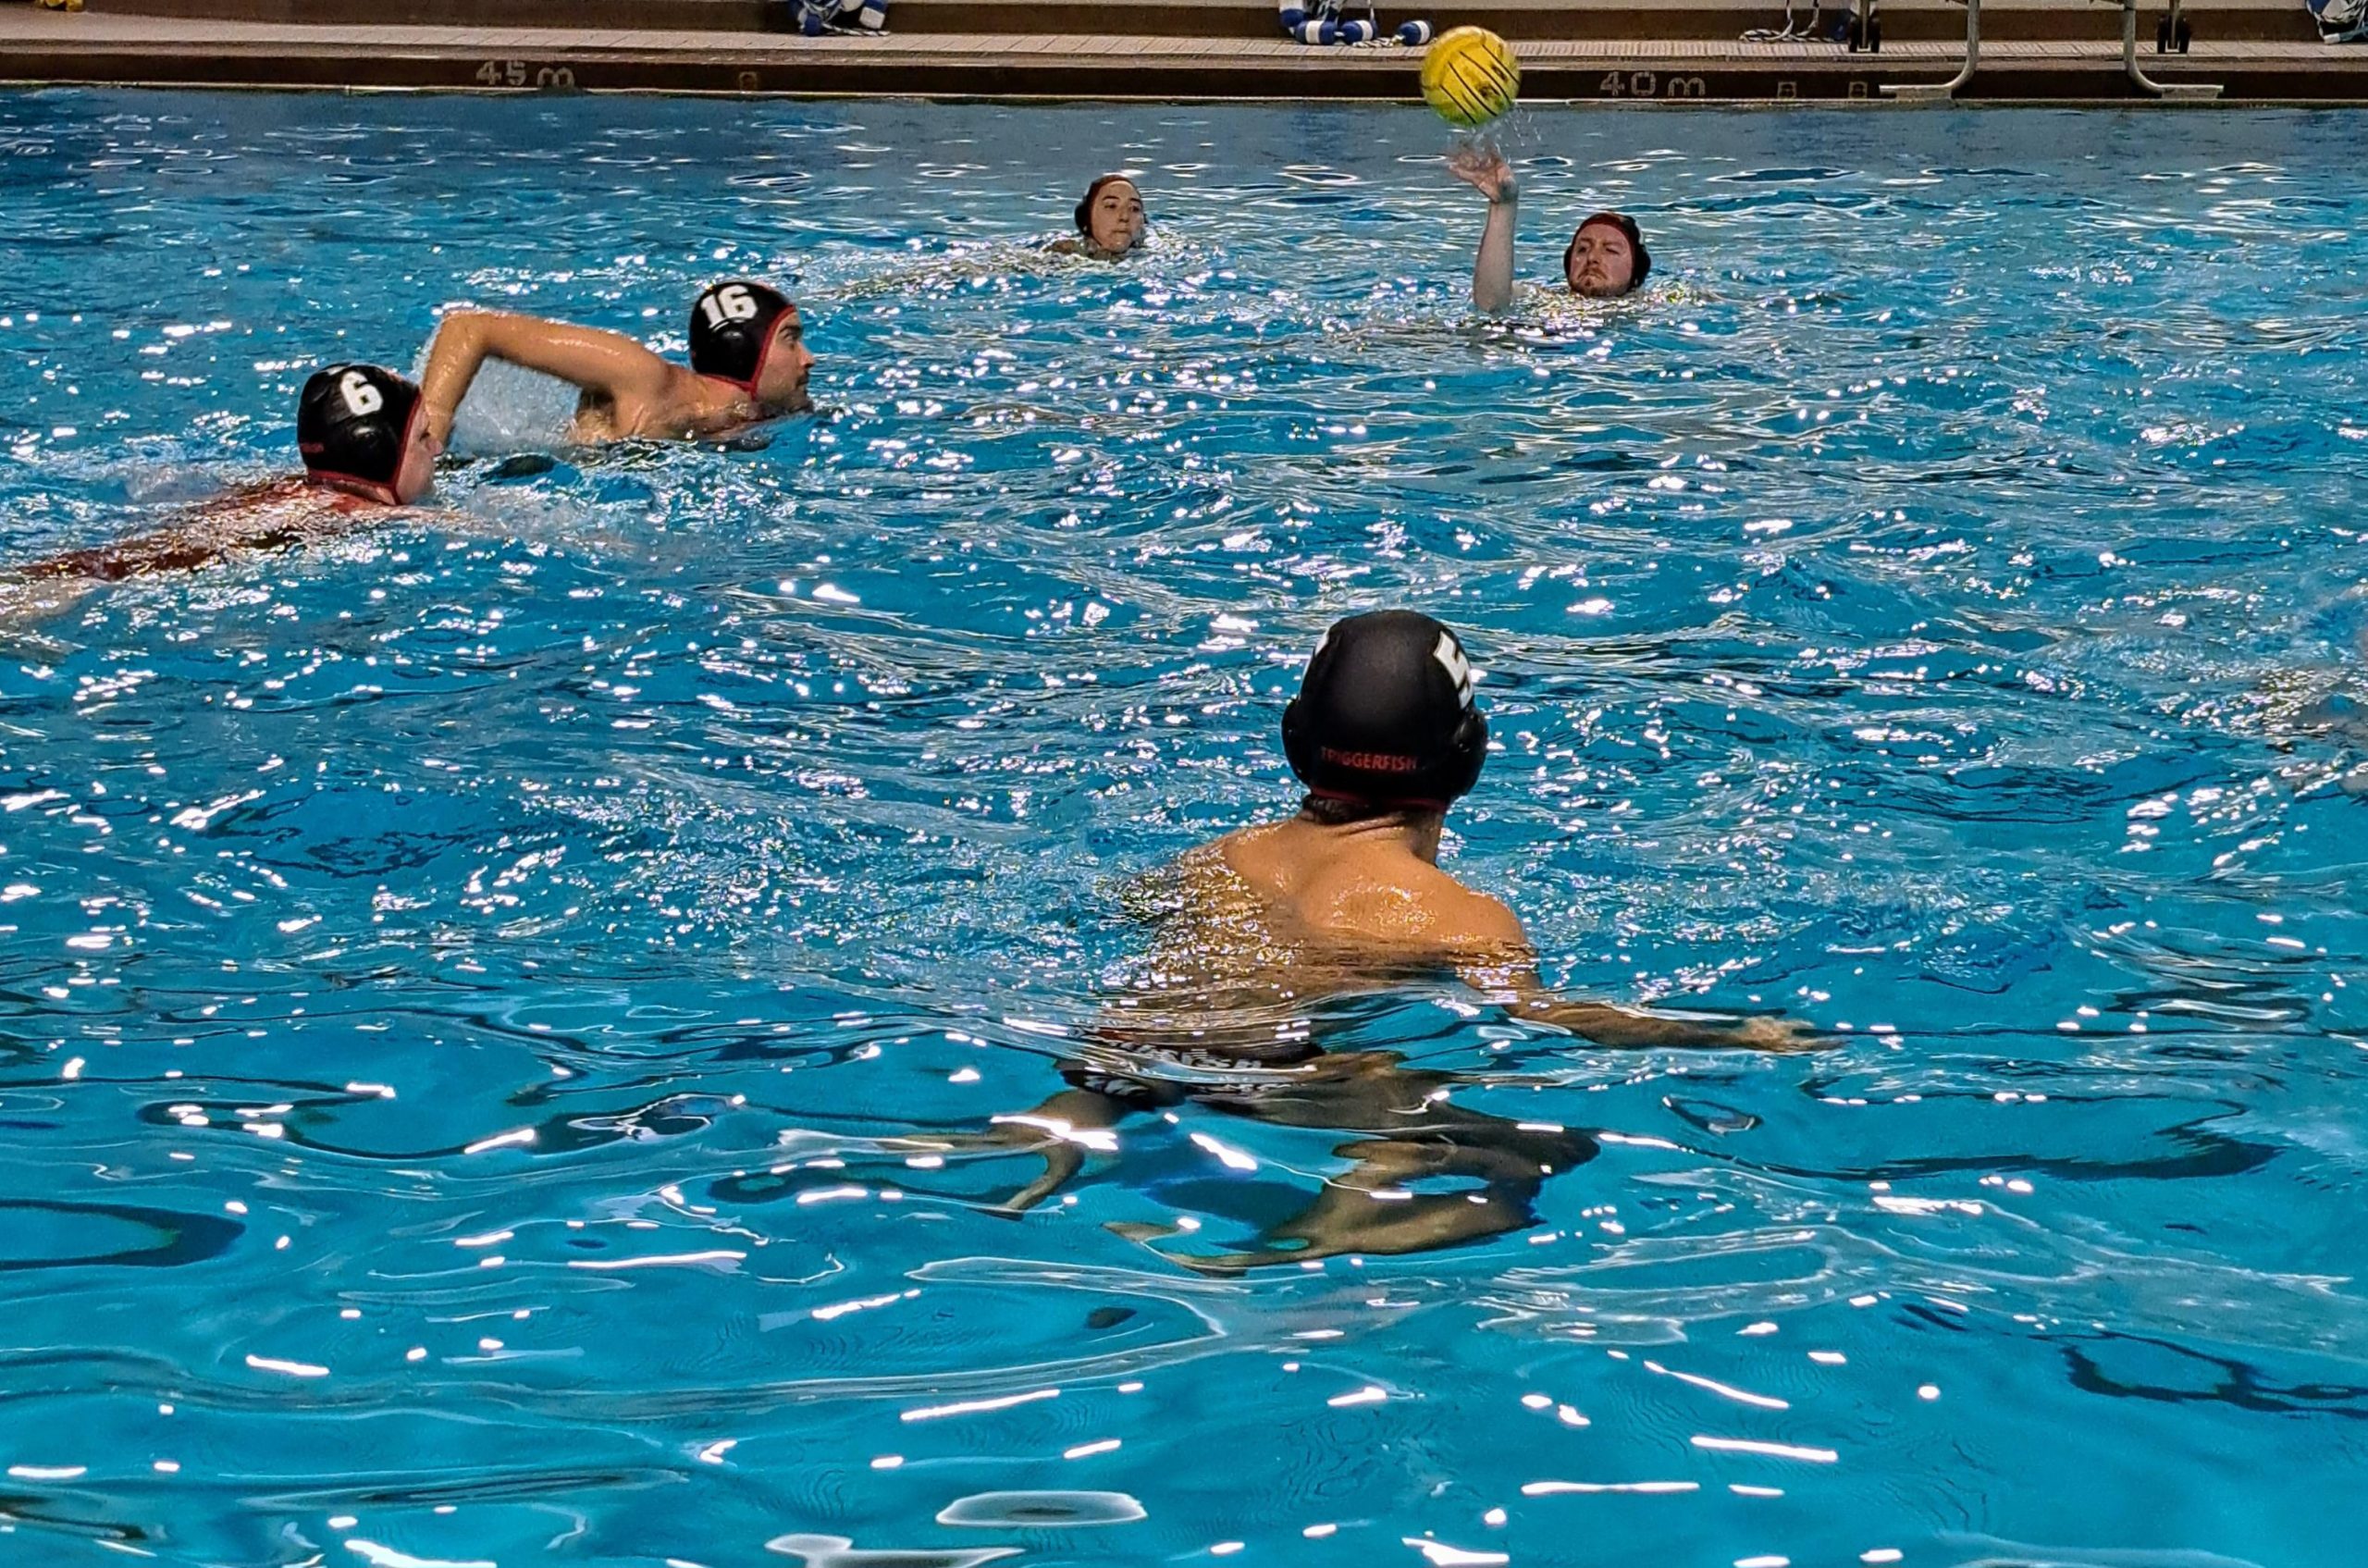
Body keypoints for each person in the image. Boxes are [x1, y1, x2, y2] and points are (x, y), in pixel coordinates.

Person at [892, 610, 1811, 1267]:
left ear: (1297, 740)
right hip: (1289, 1079)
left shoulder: (1216, 858)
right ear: (1468, 757)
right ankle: (1326, 1225)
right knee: (1519, 1145)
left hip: (1129, 1044)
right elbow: (1545, 1021)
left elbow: (1113, 916)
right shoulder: (1462, 917)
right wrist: (1721, 1032)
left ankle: (1049, 1138)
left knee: (1140, 1052)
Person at [4, 364, 438, 608]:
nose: (436, 448)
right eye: (422, 437)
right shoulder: (362, 512)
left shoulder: (286, 487)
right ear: (379, 452)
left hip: (111, 560)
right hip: (118, 576)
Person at [416, 279, 814, 447]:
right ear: (746, 350)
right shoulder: (647, 379)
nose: (809, 359)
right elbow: (469, 328)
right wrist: (428, 445)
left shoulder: (758, 415)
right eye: (791, 340)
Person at [1448, 143, 1652, 313]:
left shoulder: (1655, 308)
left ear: (1637, 271)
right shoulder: (1545, 300)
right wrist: (1504, 207)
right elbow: (1491, 304)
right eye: (1582, 248)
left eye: (1610, 250)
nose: (1592, 258)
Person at [1052, 173, 1148, 259]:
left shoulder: (1154, 251)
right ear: (1087, 218)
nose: (1125, 217)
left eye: (1135, 208)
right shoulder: (1062, 256)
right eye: (1111, 206)